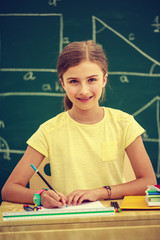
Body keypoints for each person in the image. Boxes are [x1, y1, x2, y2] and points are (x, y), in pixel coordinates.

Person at [1, 40, 157, 208]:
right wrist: (41, 195)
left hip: (114, 221)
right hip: (70, 223)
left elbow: (148, 182)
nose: (83, 90)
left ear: (104, 80)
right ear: (62, 83)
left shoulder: (124, 124)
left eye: (91, 80)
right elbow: (9, 189)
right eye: (74, 81)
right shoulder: (49, 131)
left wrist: (99, 192)